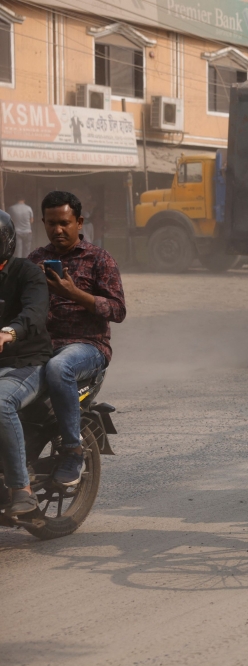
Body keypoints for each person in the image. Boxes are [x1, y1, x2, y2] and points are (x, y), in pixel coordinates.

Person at [28, 191, 126, 487]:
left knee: (59, 368)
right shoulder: (35, 260)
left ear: (79, 222)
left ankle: (73, 450)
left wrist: (75, 294)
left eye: (64, 223)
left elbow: (118, 310)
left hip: (87, 346)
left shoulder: (99, 259)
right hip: (40, 346)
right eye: (51, 223)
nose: (57, 229)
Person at [0, 211, 53, 516]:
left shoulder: (28, 273)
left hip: (26, 362)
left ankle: (22, 488)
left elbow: (34, 312)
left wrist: (9, 332)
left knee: (1, 402)